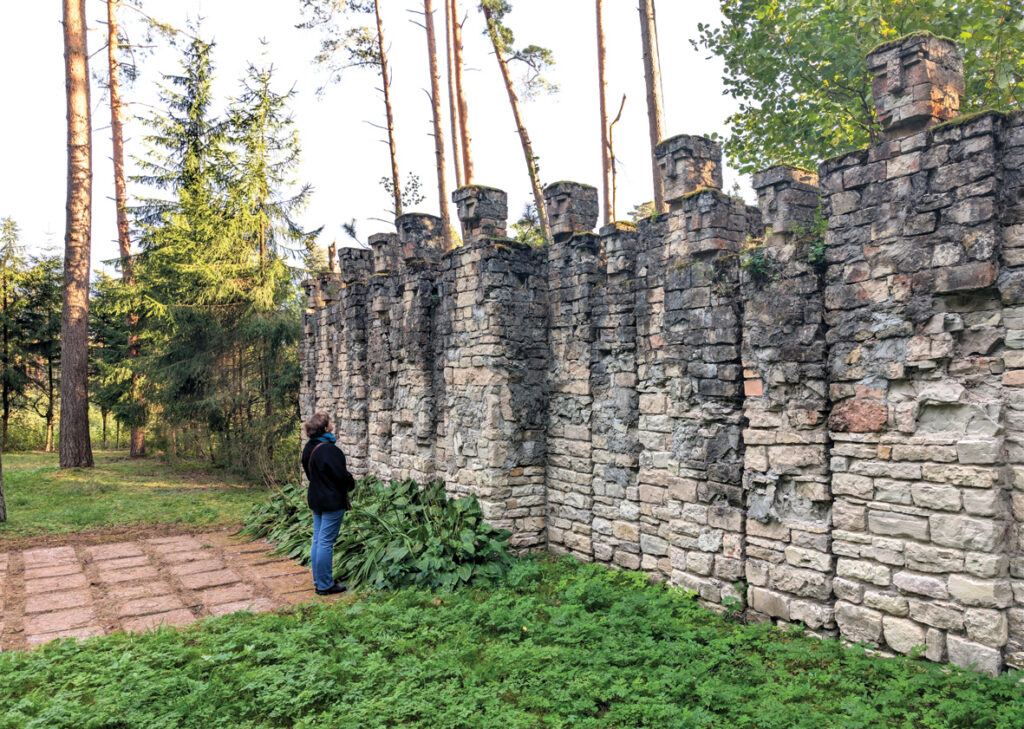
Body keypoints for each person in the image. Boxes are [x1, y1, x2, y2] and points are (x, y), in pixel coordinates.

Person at [301, 411, 354, 595]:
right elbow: (341, 476)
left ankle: (319, 579)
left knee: (318, 539)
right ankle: (324, 585)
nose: (332, 425)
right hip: (332, 501)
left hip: (316, 498)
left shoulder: (309, 447)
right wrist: (350, 482)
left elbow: (310, 475)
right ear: (324, 428)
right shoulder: (329, 450)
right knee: (325, 542)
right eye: (329, 423)